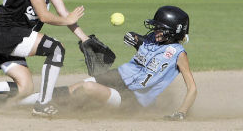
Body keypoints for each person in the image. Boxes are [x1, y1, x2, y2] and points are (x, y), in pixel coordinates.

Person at [27, 6, 197, 120]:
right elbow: (146, 43)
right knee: (77, 86)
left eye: (160, 29)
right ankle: (32, 101)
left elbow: (192, 88)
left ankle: (65, 111)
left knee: (88, 89)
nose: (155, 31)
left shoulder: (178, 54)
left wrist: (181, 113)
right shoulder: (153, 39)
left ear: (174, 32)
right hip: (119, 76)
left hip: (134, 99)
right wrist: (136, 39)